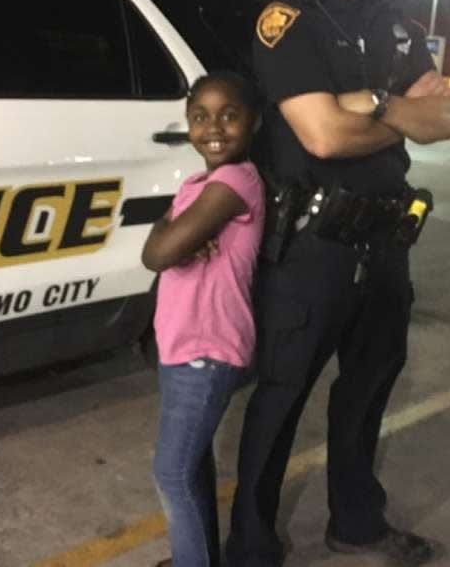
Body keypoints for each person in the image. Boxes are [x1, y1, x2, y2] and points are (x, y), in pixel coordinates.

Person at [226, 0, 450, 567]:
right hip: (311, 251)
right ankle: (251, 547)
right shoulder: (285, 22)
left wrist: (364, 105)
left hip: (386, 248)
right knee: (280, 400)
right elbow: (321, 135)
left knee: (366, 396)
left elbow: (444, 117)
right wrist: (396, 109)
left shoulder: (401, 26)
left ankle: (356, 522)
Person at [142, 72, 265, 567]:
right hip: (181, 345)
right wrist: (174, 233)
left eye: (229, 115)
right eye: (199, 117)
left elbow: (156, 254)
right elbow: (165, 239)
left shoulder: (236, 180)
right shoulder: (198, 184)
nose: (213, 127)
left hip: (207, 348)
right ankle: (196, 556)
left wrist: (173, 236)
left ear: (253, 122)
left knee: (171, 470)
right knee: (192, 464)